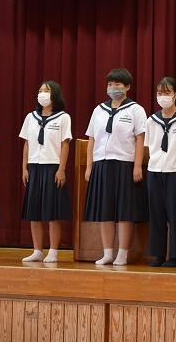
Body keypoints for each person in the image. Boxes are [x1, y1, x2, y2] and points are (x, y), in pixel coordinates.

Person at [84, 68, 148, 266]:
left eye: (118, 84)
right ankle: (107, 253)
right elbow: (91, 139)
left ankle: (122, 253)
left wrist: (137, 166)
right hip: (101, 163)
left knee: (124, 211)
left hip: (124, 163)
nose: (113, 88)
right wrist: (89, 166)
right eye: (110, 84)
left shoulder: (136, 110)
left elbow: (140, 139)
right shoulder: (98, 110)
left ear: (127, 87)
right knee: (105, 210)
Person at [144, 77, 176, 267]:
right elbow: (149, 146)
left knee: (175, 214)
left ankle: (174, 256)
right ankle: (158, 254)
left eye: (167, 93)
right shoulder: (152, 120)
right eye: (160, 93)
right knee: (156, 214)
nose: (163, 97)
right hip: (155, 170)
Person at [19, 81, 72, 263]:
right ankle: (37, 250)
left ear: (54, 95)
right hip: (34, 166)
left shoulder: (63, 117)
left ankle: (53, 251)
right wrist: (24, 168)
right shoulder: (30, 117)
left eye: (46, 91)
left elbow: (65, 144)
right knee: (34, 212)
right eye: (40, 90)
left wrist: (61, 169)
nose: (42, 93)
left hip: (52, 166)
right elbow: (26, 144)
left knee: (52, 212)